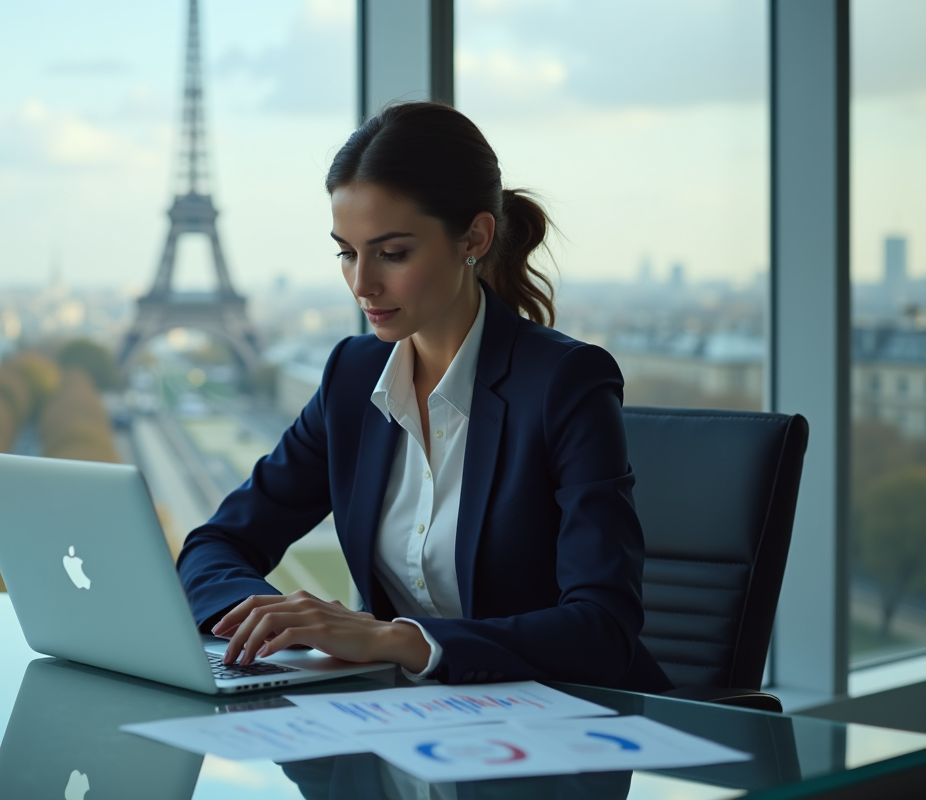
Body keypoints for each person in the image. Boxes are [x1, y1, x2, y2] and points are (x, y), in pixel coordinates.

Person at [177, 102, 672, 692]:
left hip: (563, 732)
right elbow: (215, 545)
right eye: (346, 252)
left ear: (474, 236)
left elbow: (603, 629)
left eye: (393, 253)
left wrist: (396, 641)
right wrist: (272, 619)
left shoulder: (566, 383)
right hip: (404, 726)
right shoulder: (352, 378)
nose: (362, 283)